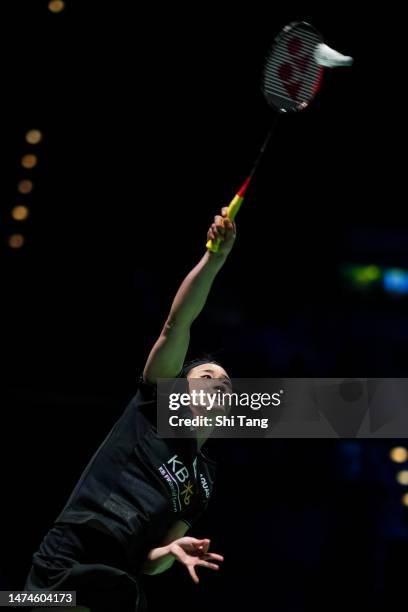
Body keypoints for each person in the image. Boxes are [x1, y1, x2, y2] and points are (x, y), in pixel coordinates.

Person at [24, 205, 236, 612]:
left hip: (117, 579)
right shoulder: (154, 406)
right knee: (21, 602)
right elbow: (177, 325)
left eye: (225, 383)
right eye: (206, 375)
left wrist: (172, 550)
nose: (218, 382)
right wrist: (215, 259)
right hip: (70, 555)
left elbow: (149, 560)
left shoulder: (205, 479)